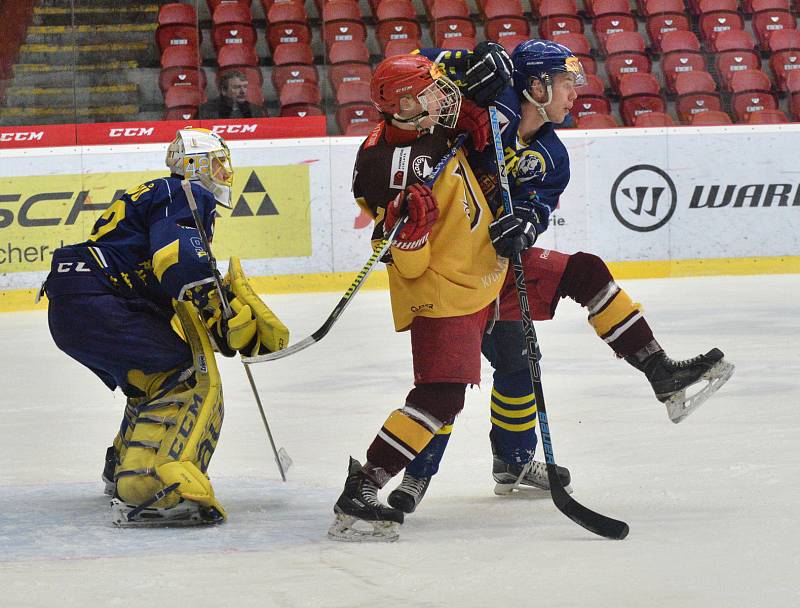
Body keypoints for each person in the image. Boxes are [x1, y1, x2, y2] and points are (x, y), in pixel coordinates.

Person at [386, 40, 735, 515]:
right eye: (567, 84)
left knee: (522, 356)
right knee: (449, 380)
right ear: (534, 85)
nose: (575, 96)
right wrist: (466, 61)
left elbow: (538, 207)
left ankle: (648, 377)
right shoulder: (489, 104)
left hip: (498, 267)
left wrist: (526, 224)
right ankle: (416, 477)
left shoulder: (553, 155)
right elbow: (417, 62)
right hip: (449, 270)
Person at [328, 53, 575, 542]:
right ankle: (363, 489)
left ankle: (380, 483)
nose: (445, 96)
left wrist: (481, 63)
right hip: (438, 288)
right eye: (431, 91)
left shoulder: (432, 119)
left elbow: (468, 87)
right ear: (403, 102)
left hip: (474, 276)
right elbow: (398, 250)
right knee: (440, 395)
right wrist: (410, 237)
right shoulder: (382, 166)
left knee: (474, 380)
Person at [44, 127, 289, 527]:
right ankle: (152, 485)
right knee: (185, 375)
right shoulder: (188, 193)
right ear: (193, 165)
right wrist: (219, 310)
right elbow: (177, 260)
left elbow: (164, 276)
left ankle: (123, 462)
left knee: (153, 377)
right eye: (217, 161)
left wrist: (217, 314)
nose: (224, 171)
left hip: (77, 302)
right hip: (104, 302)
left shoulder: (157, 194)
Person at [200, 70, 265, 119]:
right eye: (236, 87)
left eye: (245, 86)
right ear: (224, 90)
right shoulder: (207, 111)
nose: (242, 91)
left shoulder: (255, 110)